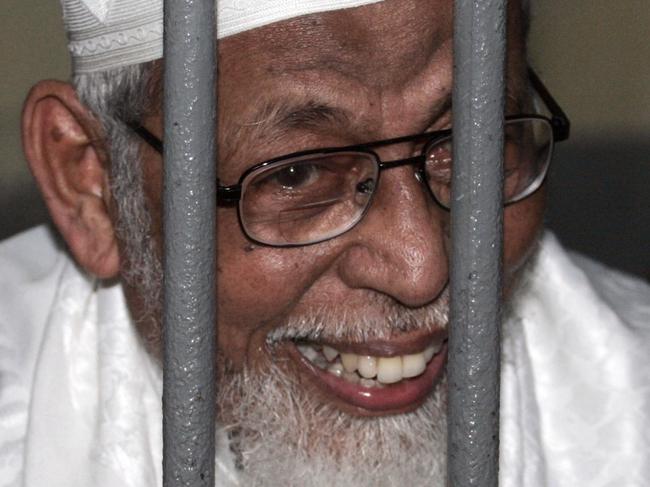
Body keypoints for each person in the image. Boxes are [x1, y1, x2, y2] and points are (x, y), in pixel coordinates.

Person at [1, 0, 648, 485]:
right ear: (91, 183)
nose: (421, 266)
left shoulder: (629, 412)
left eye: (470, 143)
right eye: (297, 173)